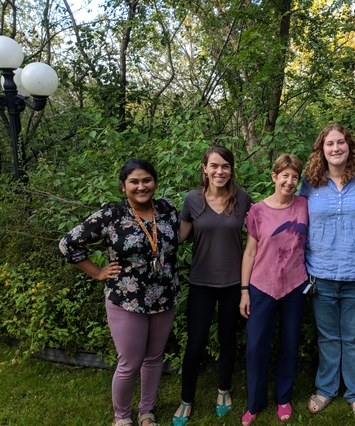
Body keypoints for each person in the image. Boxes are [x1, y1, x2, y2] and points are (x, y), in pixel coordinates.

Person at [59, 159, 180, 426]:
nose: (141, 186)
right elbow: (68, 244)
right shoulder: (110, 216)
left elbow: (177, 239)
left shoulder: (167, 209)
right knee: (129, 362)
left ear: (155, 183)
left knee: (154, 357)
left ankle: (146, 413)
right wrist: (97, 272)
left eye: (147, 180)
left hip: (164, 297)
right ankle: (122, 417)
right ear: (123, 187)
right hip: (126, 299)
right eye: (134, 182)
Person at [298, 124, 355, 423]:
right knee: (328, 337)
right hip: (321, 273)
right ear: (321, 149)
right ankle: (326, 388)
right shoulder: (309, 182)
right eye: (329, 144)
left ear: (349, 146)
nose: (335, 148)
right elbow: (294, 217)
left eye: (340, 142)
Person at [172, 146, 253, 426]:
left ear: (231, 170)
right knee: (195, 345)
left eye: (226, 166)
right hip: (201, 283)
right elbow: (178, 237)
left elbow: (259, 233)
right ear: (204, 168)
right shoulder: (192, 200)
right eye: (214, 166)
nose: (220, 171)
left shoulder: (242, 199)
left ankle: (223, 390)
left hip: (234, 283)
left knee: (228, 340)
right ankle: (186, 399)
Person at [239, 154, 309, 425]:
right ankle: (255, 403)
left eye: (294, 177)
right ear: (274, 176)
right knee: (256, 347)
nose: (290, 182)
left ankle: (283, 398)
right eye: (285, 175)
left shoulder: (304, 205)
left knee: (290, 345)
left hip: (294, 285)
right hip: (261, 285)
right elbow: (250, 252)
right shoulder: (257, 210)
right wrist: (244, 290)